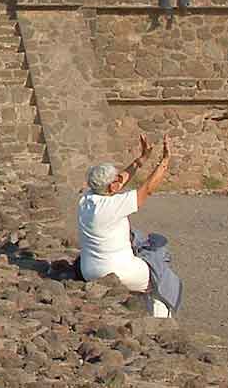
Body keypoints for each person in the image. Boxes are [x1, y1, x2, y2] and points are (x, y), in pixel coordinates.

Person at [79, 134, 175, 317]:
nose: (119, 180)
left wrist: (141, 159)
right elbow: (147, 189)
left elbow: (119, 180)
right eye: (115, 180)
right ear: (112, 187)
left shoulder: (87, 200)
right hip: (117, 272)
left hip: (89, 270)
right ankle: (162, 319)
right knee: (159, 272)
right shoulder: (112, 206)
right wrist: (164, 161)